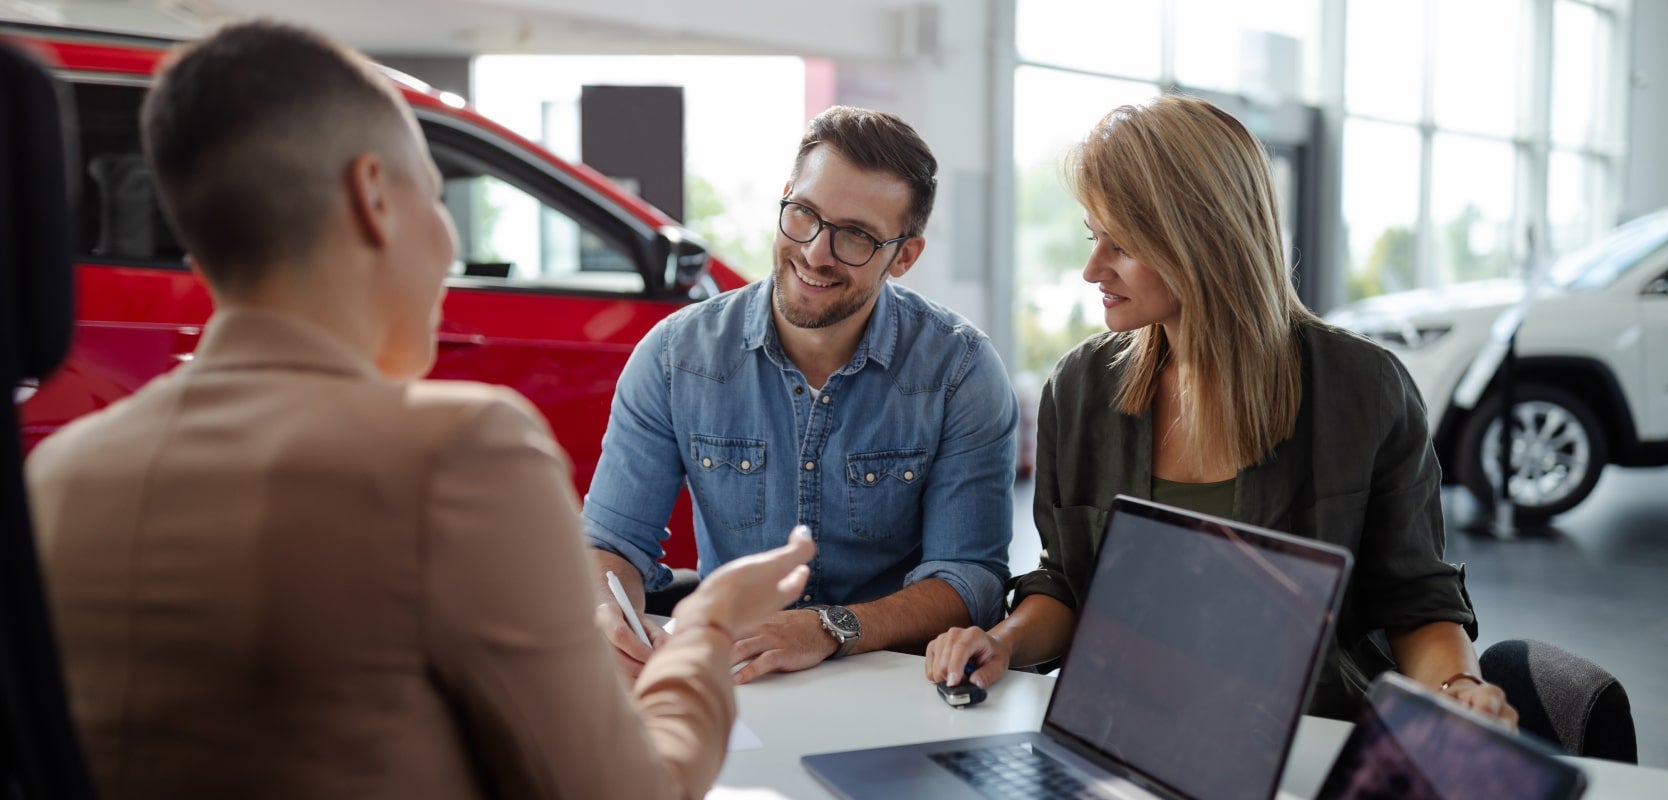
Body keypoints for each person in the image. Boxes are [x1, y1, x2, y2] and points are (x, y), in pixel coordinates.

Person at [26, 21, 816, 799]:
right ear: (372, 195)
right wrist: (709, 623)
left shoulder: (57, 479)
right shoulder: (460, 452)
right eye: (438, 199)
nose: (447, 245)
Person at [924, 94, 1518, 726]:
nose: (1092, 269)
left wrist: (1458, 688)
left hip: (1301, 738)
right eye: (1094, 237)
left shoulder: (1364, 389)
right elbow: (1067, 585)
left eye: (1121, 246)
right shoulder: (1080, 388)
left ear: (1203, 240)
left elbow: (1415, 599)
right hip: (1120, 731)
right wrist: (1004, 642)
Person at [585, 106, 1018, 684]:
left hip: (891, 681)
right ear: (786, 198)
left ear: (904, 256)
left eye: (856, 236)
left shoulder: (959, 371)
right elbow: (611, 543)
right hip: (738, 681)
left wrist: (829, 629)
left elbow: (971, 580)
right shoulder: (675, 357)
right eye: (805, 214)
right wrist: (609, 616)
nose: (816, 252)